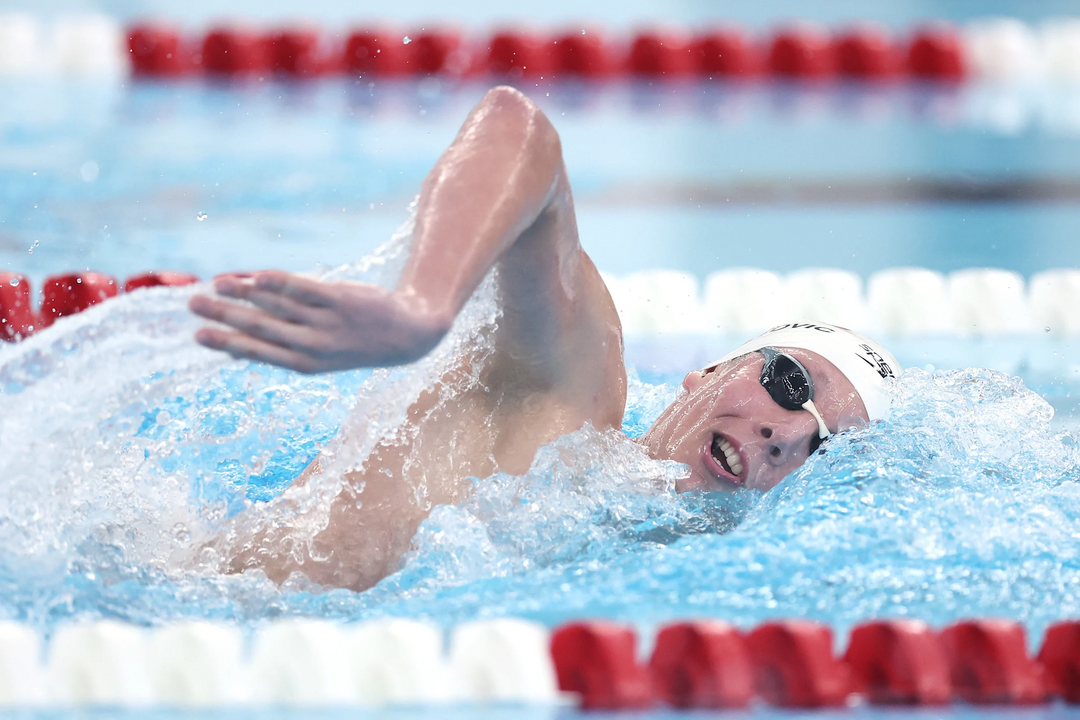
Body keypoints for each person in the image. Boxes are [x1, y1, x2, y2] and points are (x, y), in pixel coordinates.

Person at [188, 86, 899, 592]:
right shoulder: (567, 398)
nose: (785, 436)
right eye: (790, 384)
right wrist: (421, 308)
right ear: (709, 370)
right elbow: (517, 127)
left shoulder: (657, 587)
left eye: (823, 447)